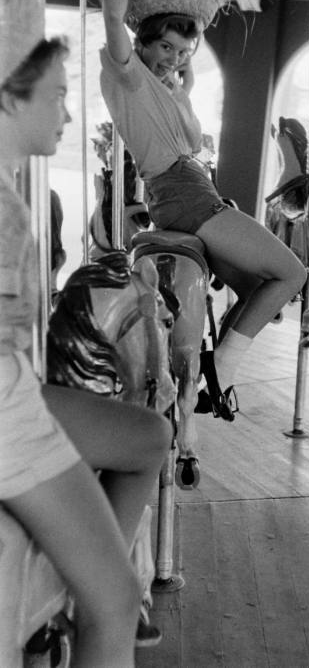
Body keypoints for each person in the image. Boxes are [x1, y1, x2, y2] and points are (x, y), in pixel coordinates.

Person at [0, 33, 171, 665]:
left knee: (151, 436)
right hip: (7, 418)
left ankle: (81, 582)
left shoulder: (15, 197)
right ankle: (101, 596)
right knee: (117, 601)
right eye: (58, 98)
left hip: (16, 390)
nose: (69, 116)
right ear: (10, 99)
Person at [100, 0, 307, 420]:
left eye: (182, 52)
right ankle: (222, 370)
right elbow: (113, 13)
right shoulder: (129, 76)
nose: (173, 58)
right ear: (144, 44)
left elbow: (190, 121)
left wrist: (185, 80)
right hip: (184, 193)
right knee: (293, 273)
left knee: (260, 288)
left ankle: (212, 369)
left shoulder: (170, 95)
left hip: (190, 189)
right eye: (165, 47)